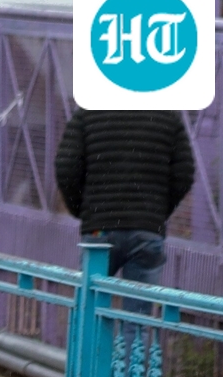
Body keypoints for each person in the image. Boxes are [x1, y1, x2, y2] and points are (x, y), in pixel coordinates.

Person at [54, 109, 195, 308]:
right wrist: (155, 213)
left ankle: (91, 338)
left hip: (99, 228)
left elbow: (66, 166)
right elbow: (184, 173)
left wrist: (82, 210)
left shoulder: (88, 113)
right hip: (146, 230)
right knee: (137, 320)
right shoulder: (167, 116)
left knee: (89, 309)